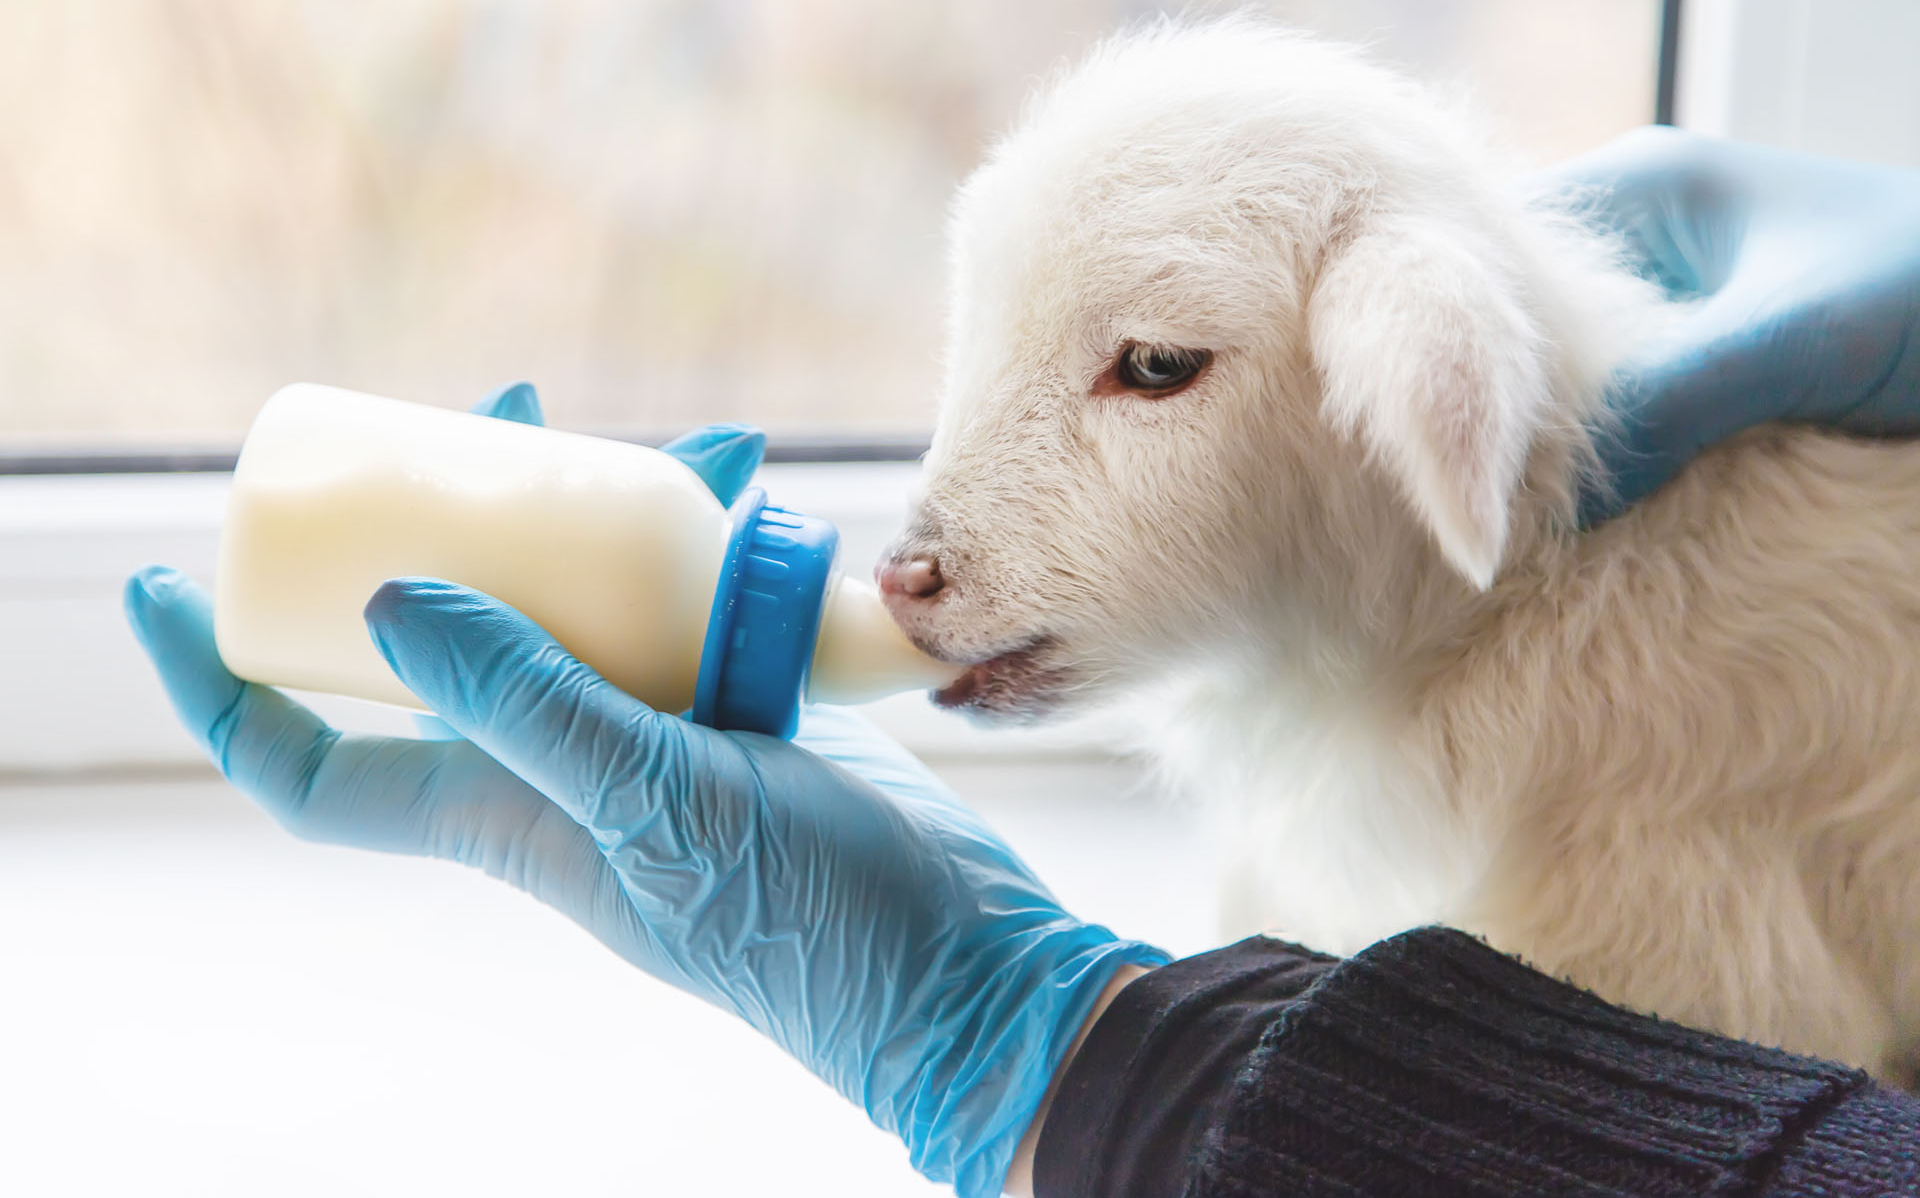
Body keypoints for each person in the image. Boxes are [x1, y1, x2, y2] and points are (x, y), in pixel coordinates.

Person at [126, 129, 1920, 1197]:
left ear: (1422, 396)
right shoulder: (1324, 711)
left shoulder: (1679, 703)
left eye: (1148, 368)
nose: (917, 561)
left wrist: (1078, 1057)